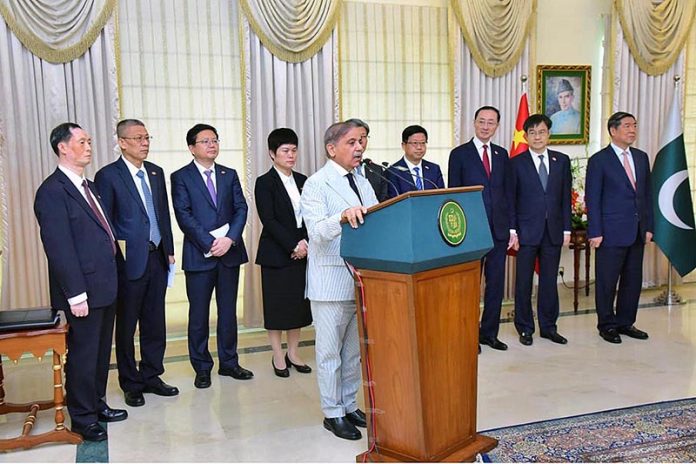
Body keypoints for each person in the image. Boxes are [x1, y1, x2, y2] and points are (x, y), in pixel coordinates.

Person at [34, 122, 127, 442]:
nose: (89, 146)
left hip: (105, 285)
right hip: (82, 291)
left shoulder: (89, 186)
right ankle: (83, 417)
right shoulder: (52, 191)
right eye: (82, 141)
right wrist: (75, 294)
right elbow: (59, 249)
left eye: (89, 140)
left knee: (101, 353)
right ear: (63, 147)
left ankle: (97, 403)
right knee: (84, 354)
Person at [300, 120, 378, 441]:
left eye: (362, 141)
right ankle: (332, 413)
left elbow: (376, 215)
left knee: (352, 352)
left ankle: (348, 403)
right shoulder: (316, 184)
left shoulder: (363, 179)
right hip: (330, 283)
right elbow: (317, 232)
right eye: (351, 142)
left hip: (360, 281)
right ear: (332, 149)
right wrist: (342, 217)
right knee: (330, 353)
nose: (359, 147)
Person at [94, 119, 178, 408]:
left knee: (155, 321)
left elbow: (162, 213)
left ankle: (152, 374)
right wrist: (119, 258)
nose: (145, 143)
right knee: (127, 324)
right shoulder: (108, 175)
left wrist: (168, 247)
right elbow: (107, 223)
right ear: (122, 142)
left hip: (157, 256)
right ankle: (131, 383)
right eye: (138, 138)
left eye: (147, 137)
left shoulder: (155, 172)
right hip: (129, 261)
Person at [171, 123, 252, 389]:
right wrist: (209, 242)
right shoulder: (180, 176)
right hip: (200, 255)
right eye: (205, 141)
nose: (212, 145)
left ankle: (229, 363)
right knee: (199, 314)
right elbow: (184, 215)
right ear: (192, 148)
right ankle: (202, 367)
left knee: (228, 312)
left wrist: (229, 240)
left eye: (214, 140)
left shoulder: (229, 174)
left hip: (229, 253)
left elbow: (241, 208)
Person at [448, 106, 514, 351]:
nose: (486, 126)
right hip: (471, 233)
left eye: (491, 122)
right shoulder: (459, 154)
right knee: (469, 287)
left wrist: (511, 229)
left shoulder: (502, 154)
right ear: (474, 123)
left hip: (498, 231)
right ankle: (468, 334)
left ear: (497, 126)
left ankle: (489, 333)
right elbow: (454, 195)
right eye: (482, 121)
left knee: (495, 285)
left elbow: (507, 193)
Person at [585, 112, 653, 344]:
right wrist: (595, 231)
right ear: (613, 131)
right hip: (610, 232)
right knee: (606, 281)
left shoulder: (642, 158)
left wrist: (648, 226)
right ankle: (607, 325)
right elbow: (592, 198)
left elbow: (647, 195)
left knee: (632, 280)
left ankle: (626, 322)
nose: (632, 130)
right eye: (627, 126)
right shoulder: (599, 160)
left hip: (636, 230)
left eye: (634, 125)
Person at [507, 114, 571, 346]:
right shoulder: (515, 163)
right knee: (523, 282)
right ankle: (525, 327)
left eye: (541, 132)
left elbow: (565, 198)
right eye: (532, 132)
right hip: (525, 232)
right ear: (525, 136)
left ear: (549, 134)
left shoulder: (561, 161)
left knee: (548, 281)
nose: (537, 136)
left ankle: (549, 326)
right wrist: (512, 230)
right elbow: (510, 199)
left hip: (553, 231)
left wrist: (567, 229)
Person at [254, 128, 313, 378]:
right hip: (277, 254)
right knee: (278, 307)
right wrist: (293, 245)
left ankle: (294, 352)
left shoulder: (303, 180)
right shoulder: (264, 182)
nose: (291, 155)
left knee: (297, 307)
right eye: (285, 151)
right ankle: (278, 354)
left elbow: (311, 215)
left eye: (294, 150)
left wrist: (306, 243)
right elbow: (269, 219)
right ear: (272, 153)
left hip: (303, 250)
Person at [386, 125, 444, 198]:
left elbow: (441, 196)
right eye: (415, 143)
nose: (419, 147)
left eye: (423, 143)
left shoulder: (434, 169)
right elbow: (393, 201)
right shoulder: (393, 172)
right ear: (404, 145)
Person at [345, 118, 389, 202]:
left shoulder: (377, 170)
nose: (360, 141)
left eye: (363, 136)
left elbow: (385, 202)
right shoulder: (339, 171)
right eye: (353, 137)